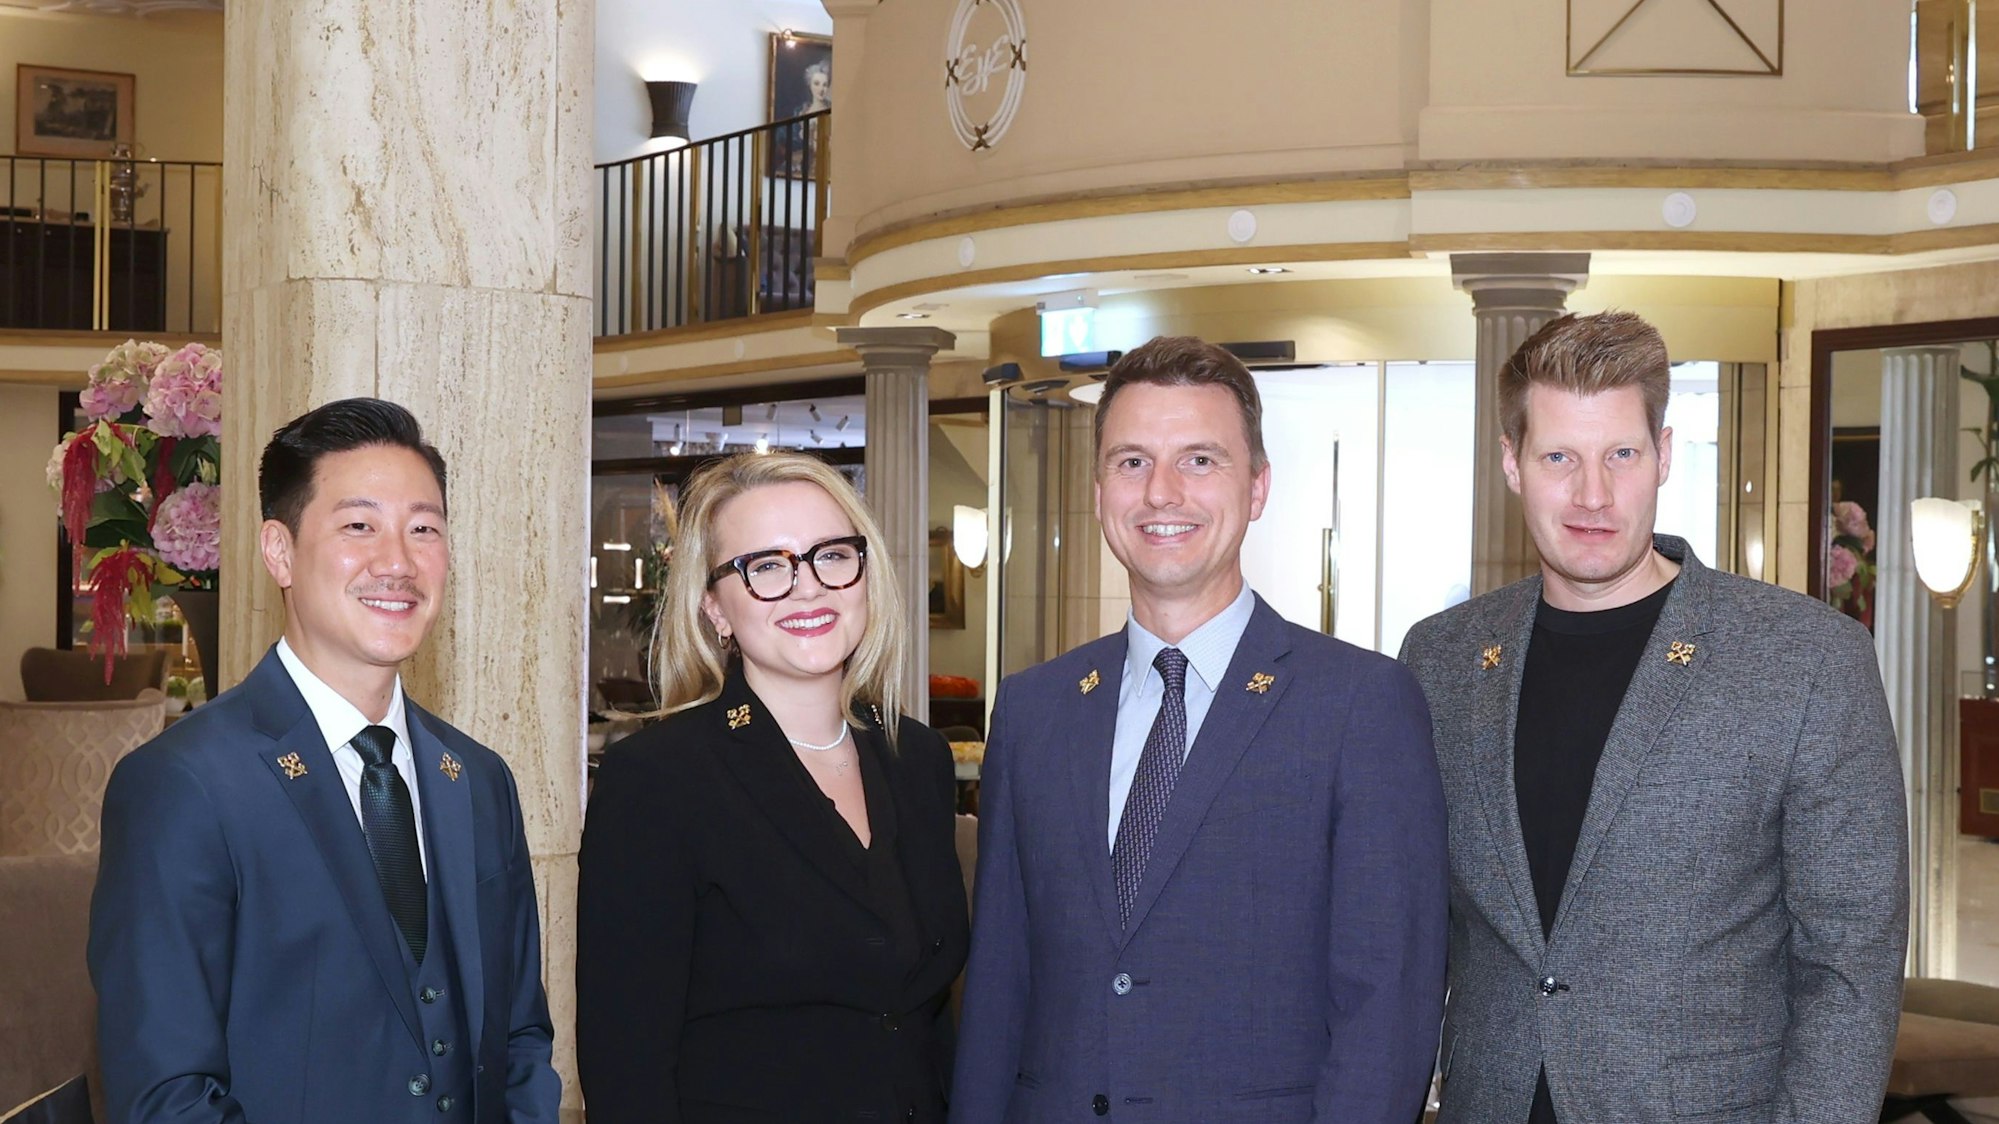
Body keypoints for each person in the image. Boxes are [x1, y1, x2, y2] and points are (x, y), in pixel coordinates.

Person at [1399, 311, 1909, 1124]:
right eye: (1558, 456)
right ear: (1511, 463)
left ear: (1663, 456)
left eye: (1621, 455)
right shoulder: (1441, 658)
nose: (1591, 493)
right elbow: (1415, 928)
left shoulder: (1807, 659)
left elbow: (1850, 961)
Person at [952, 336, 1449, 1123]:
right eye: (1131, 461)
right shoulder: (1034, 708)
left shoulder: (1360, 703)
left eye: (1199, 460)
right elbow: (999, 984)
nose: (1160, 493)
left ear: (1257, 488)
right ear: (1097, 489)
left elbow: (1387, 1003)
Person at [88, 398, 562, 1122]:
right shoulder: (184, 784)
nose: (397, 562)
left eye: (424, 529)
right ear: (279, 551)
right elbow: (166, 1094)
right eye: (358, 526)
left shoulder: (477, 778)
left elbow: (521, 1036)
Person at [577, 451, 969, 1123]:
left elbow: (924, 1017)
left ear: (864, 572)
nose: (808, 587)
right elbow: (625, 1064)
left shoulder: (918, 759)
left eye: (831, 555)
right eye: (765, 567)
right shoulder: (660, 780)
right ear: (715, 608)